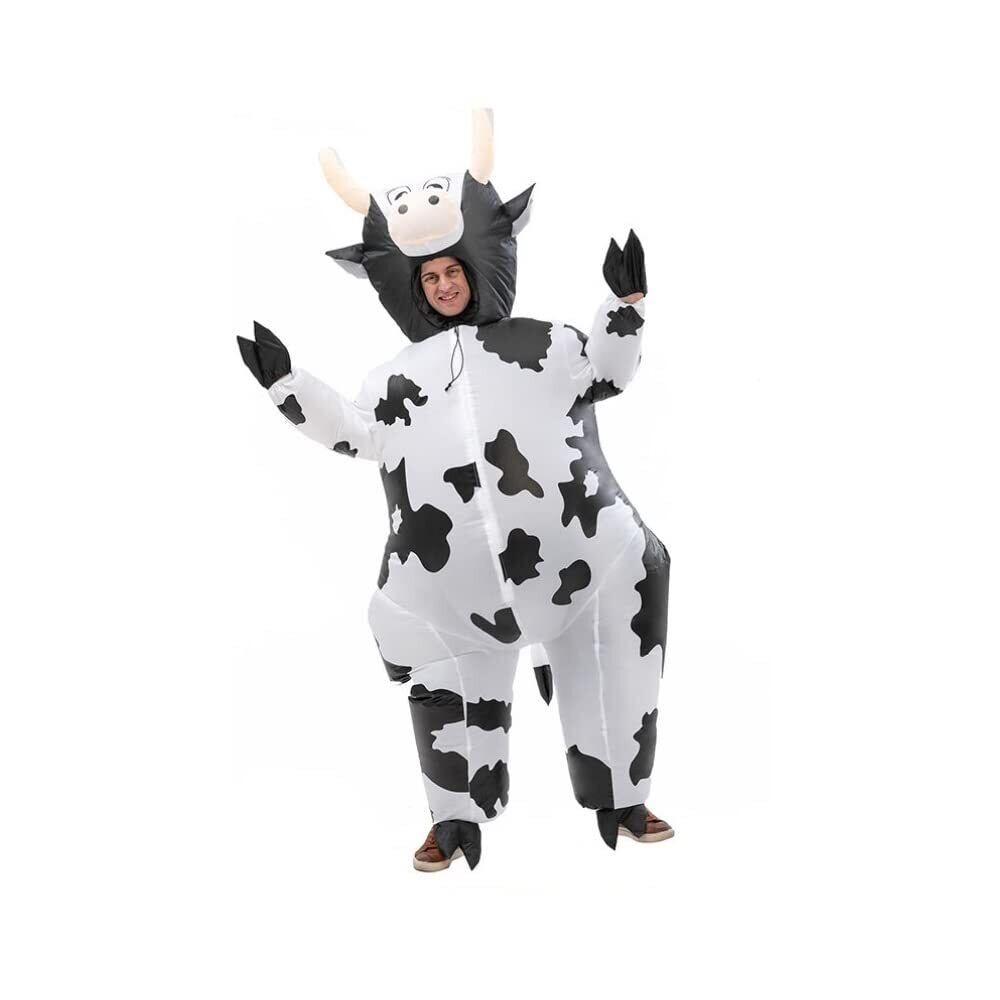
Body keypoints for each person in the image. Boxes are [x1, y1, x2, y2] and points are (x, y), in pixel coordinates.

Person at [409, 255, 673, 872]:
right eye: (430, 278)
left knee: (611, 674)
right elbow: (359, 431)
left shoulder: (546, 343)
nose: (444, 286)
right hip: (461, 579)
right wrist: (288, 387)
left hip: (577, 557)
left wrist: (623, 308)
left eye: (453, 271)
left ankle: (623, 800)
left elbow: (609, 371)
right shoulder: (402, 375)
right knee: (451, 689)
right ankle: (452, 818)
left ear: (478, 268)